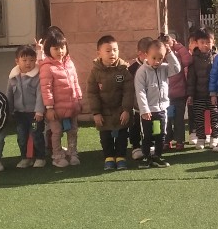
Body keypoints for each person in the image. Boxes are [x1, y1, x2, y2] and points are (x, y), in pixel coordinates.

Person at [87, 35, 136, 171]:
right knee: (105, 136)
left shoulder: (124, 70)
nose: (112, 53)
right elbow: (92, 93)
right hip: (103, 112)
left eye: (115, 50)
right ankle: (109, 157)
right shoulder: (95, 72)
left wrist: (126, 109)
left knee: (122, 135)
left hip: (121, 110)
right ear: (99, 53)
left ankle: (120, 157)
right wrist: (96, 112)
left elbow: (128, 91)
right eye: (108, 51)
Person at [135, 37, 182, 167]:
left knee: (160, 134)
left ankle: (157, 156)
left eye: (160, 58)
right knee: (147, 135)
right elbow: (140, 92)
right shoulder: (142, 72)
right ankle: (146, 158)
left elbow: (177, 68)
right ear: (146, 55)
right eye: (154, 58)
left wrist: (170, 53)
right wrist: (144, 110)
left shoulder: (164, 68)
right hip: (148, 112)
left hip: (161, 110)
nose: (157, 61)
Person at [40, 31, 84, 167]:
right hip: (56, 109)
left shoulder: (70, 63)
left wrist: (79, 99)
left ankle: (73, 153)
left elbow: (75, 82)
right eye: (56, 48)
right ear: (48, 50)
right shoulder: (47, 67)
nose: (60, 51)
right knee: (57, 132)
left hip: (72, 105)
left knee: (73, 131)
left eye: (62, 47)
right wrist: (49, 108)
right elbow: (46, 89)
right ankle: (58, 156)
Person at [7, 44, 45, 169]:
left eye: (32, 60)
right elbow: (9, 95)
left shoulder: (38, 77)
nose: (28, 63)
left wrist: (39, 111)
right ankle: (25, 158)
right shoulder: (13, 77)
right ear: (17, 61)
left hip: (34, 115)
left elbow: (40, 95)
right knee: (21, 136)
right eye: (24, 60)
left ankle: (40, 157)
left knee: (36, 134)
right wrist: (8, 111)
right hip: (19, 114)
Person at [187, 27, 214, 147]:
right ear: (197, 43)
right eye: (202, 42)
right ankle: (201, 138)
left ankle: (215, 137)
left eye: (208, 42)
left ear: (213, 42)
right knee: (199, 118)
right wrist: (190, 95)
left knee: (215, 117)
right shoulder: (193, 59)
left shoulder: (216, 57)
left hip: (213, 95)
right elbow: (191, 79)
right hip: (198, 95)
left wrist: (216, 92)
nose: (205, 45)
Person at [164, 31, 191, 150]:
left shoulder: (178, 55)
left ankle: (180, 141)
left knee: (179, 120)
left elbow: (188, 60)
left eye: (169, 44)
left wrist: (178, 46)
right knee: (166, 120)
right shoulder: (159, 59)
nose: (167, 48)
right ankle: (166, 140)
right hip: (165, 97)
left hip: (179, 95)